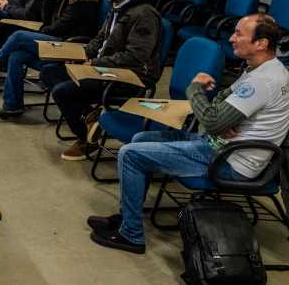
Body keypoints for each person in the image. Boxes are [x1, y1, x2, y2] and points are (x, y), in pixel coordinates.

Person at [88, 13, 289, 254]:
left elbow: (213, 120)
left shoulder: (262, 81)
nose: (232, 38)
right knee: (141, 139)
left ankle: (131, 235)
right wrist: (220, 117)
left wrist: (194, 89)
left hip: (229, 161)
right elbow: (222, 106)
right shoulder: (264, 69)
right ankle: (126, 217)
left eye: (239, 34)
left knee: (130, 154)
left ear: (261, 43)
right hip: (221, 145)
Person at [41, 0, 162, 160]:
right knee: (49, 72)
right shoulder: (117, 6)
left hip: (130, 77)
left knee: (63, 92)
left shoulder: (144, 15)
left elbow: (134, 57)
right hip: (105, 67)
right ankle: (90, 117)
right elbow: (100, 38)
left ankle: (86, 141)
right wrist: (85, 54)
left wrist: (96, 62)